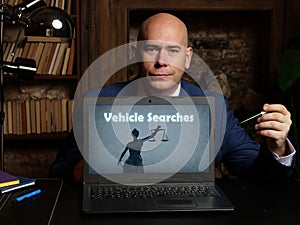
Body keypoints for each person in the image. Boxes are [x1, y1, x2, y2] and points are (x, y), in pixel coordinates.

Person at [49, 13, 295, 184]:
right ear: (135, 53)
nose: (161, 62)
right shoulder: (97, 102)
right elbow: (58, 172)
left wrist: (277, 148)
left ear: (187, 58)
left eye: (173, 51)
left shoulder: (214, 107)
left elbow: (256, 170)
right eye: (152, 49)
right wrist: (82, 171)